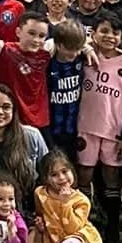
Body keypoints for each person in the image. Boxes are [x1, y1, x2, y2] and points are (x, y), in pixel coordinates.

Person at [77, 14, 122, 241]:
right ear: (94, 33)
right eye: (105, 31)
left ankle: (111, 231)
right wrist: (85, 47)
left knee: (112, 176)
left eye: (115, 33)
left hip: (113, 130)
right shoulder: (84, 57)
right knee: (84, 175)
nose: (110, 37)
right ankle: (84, 226)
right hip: (86, 127)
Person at [0, 11, 50, 137]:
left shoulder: (47, 53)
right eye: (31, 33)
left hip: (39, 121)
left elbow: (73, 41)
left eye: (41, 35)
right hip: (11, 119)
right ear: (18, 32)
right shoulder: (3, 49)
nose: (36, 40)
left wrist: (87, 49)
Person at [46, 18, 87, 162]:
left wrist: (88, 49)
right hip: (52, 126)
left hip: (73, 126)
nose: (74, 53)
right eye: (69, 49)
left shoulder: (82, 59)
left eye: (78, 49)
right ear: (57, 45)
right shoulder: (47, 62)